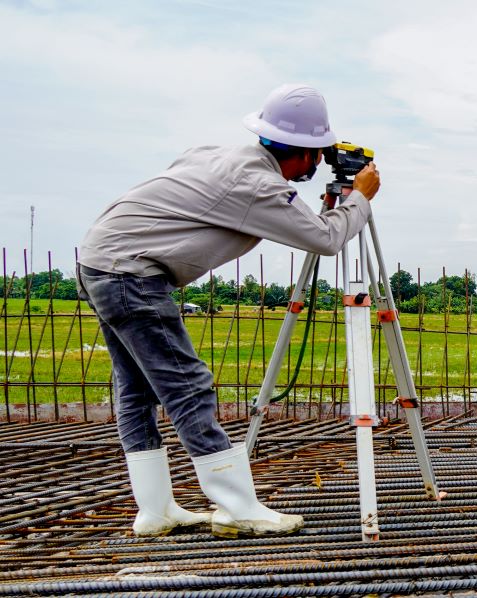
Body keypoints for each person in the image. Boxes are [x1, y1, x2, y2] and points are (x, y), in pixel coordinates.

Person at [76, 84, 380, 537]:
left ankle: (155, 511)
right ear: (302, 153)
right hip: (131, 274)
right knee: (187, 385)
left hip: (101, 260)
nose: (319, 163)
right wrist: (359, 198)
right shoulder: (258, 185)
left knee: (137, 391)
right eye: (316, 153)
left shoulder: (213, 155)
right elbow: (327, 239)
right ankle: (237, 507)